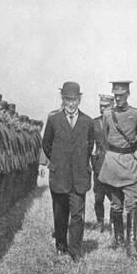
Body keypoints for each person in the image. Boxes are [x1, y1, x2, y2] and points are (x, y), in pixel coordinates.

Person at [42, 81, 94, 261]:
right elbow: (46, 144)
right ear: (62, 100)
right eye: (67, 100)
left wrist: (79, 162)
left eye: (74, 100)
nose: (71, 104)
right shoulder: (54, 120)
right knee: (60, 212)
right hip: (60, 175)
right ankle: (61, 245)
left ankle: (75, 250)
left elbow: (89, 147)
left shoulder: (88, 122)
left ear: (79, 100)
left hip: (79, 176)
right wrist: (58, 160)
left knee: (78, 214)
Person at [98, 81, 137, 251]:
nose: (118, 98)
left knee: (132, 204)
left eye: (122, 95)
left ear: (128, 94)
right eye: (116, 95)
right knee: (116, 204)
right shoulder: (108, 114)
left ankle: (131, 244)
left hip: (129, 161)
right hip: (112, 163)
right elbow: (104, 138)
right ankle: (118, 239)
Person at [92, 94, 115, 233]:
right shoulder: (94, 123)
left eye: (105, 106)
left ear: (112, 107)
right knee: (98, 196)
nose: (102, 108)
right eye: (100, 106)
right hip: (99, 164)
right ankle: (99, 222)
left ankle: (113, 223)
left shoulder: (117, 122)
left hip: (113, 163)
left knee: (114, 197)